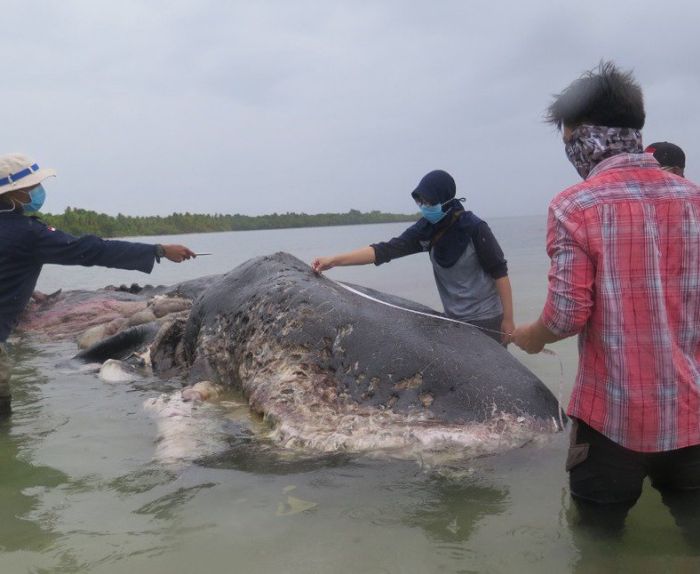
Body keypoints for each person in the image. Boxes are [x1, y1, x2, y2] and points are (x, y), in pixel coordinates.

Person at [512, 62, 700, 540]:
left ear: (582, 136)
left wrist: (530, 338)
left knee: (598, 544)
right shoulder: (694, 199)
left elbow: (566, 315)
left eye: (568, 139)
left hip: (612, 421)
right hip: (694, 415)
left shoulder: (575, 205)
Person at [0, 152, 196, 419]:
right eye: (31, 187)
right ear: (15, 194)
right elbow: (91, 250)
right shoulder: (28, 233)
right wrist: (158, 250)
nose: (37, 191)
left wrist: (18, 285)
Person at [311, 170, 514, 344]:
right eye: (420, 201)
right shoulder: (426, 229)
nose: (424, 206)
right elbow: (384, 250)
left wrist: (508, 319)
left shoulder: (475, 228)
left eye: (429, 201)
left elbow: (500, 272)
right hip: (455, 320)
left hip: (488, 319)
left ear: (445, 199)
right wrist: (333, 261)